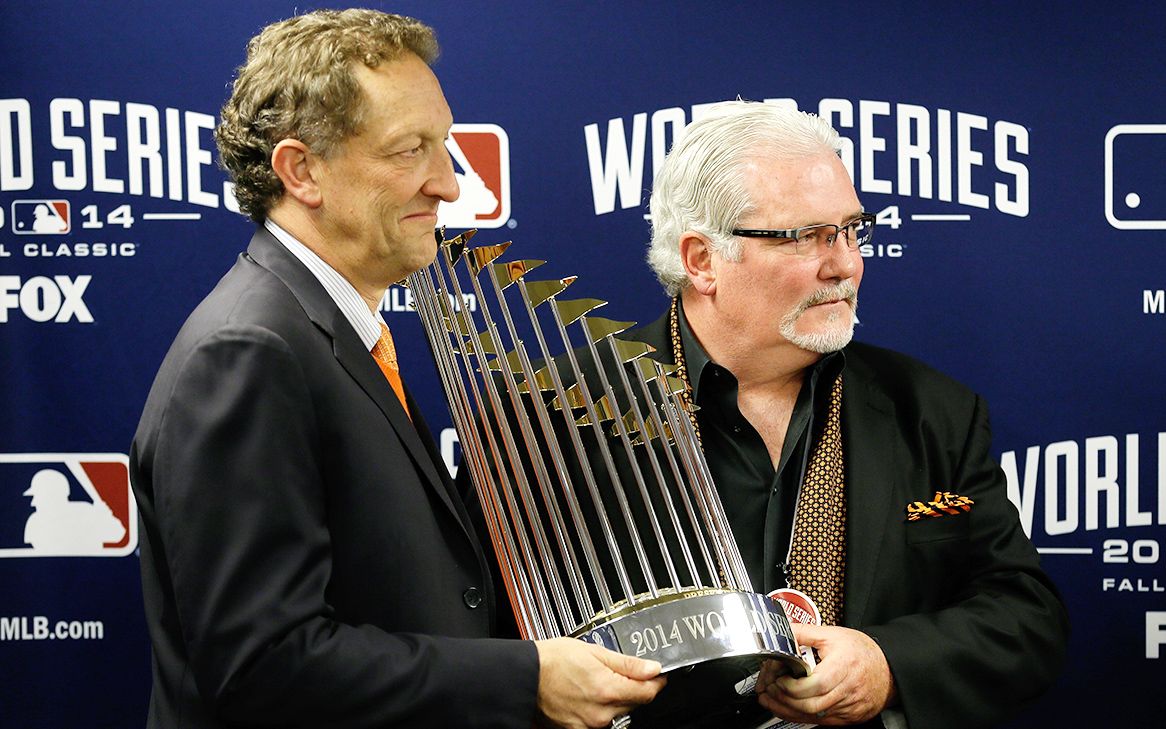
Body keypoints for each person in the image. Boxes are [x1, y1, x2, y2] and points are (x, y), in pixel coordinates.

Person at [129, 9, 663, 729]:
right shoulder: (250, 352)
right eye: (410, 150)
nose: (448, 184)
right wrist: (525, 677)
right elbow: (263, 667)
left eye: (445, 146)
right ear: (301, 170)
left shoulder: (323, 326)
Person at [614, 100, 1069, 728]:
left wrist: (888, 664)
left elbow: (1024, 615)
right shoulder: (557, 413)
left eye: (851, 231)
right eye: (805, 237)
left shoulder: (932, 411)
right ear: (702, 260)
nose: (845, 265)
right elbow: (501, 650)